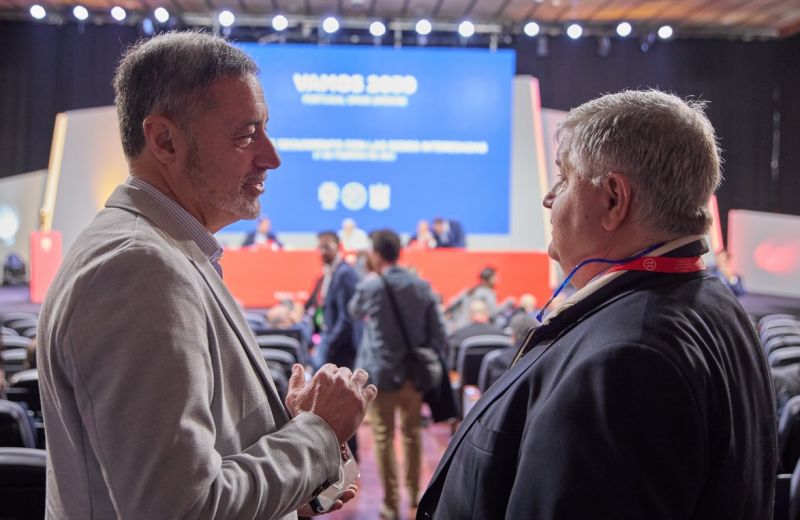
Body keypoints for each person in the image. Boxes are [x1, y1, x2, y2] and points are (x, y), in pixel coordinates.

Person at [37, 32, 376, 520]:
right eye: (246, 135)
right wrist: (319, 431)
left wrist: (294, 480)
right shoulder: (137, 268)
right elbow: (180, 508)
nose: (271, 156)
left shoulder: (166, 252)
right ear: (165, 140)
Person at [417, 90, 777, 519]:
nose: (549, 198)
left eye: (564, 178)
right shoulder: (718, 305)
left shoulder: (626, 361)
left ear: (612, 199)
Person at [349, 229, 446, 520]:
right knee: (413, 434)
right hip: (413, 375)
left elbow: (354, 310)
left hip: (381, 375)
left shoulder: (371, 285)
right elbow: (438, 332)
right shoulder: (420, 284)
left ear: (376, 254)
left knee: (382, 437)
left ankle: (391, 503)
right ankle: (416, 493)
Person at [445, 298, 506, 370]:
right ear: (487, 313)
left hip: (467, 379)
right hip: (495, 379)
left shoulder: (459, 335)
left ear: (470, 315)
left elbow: (451, 364)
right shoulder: (501, 334)